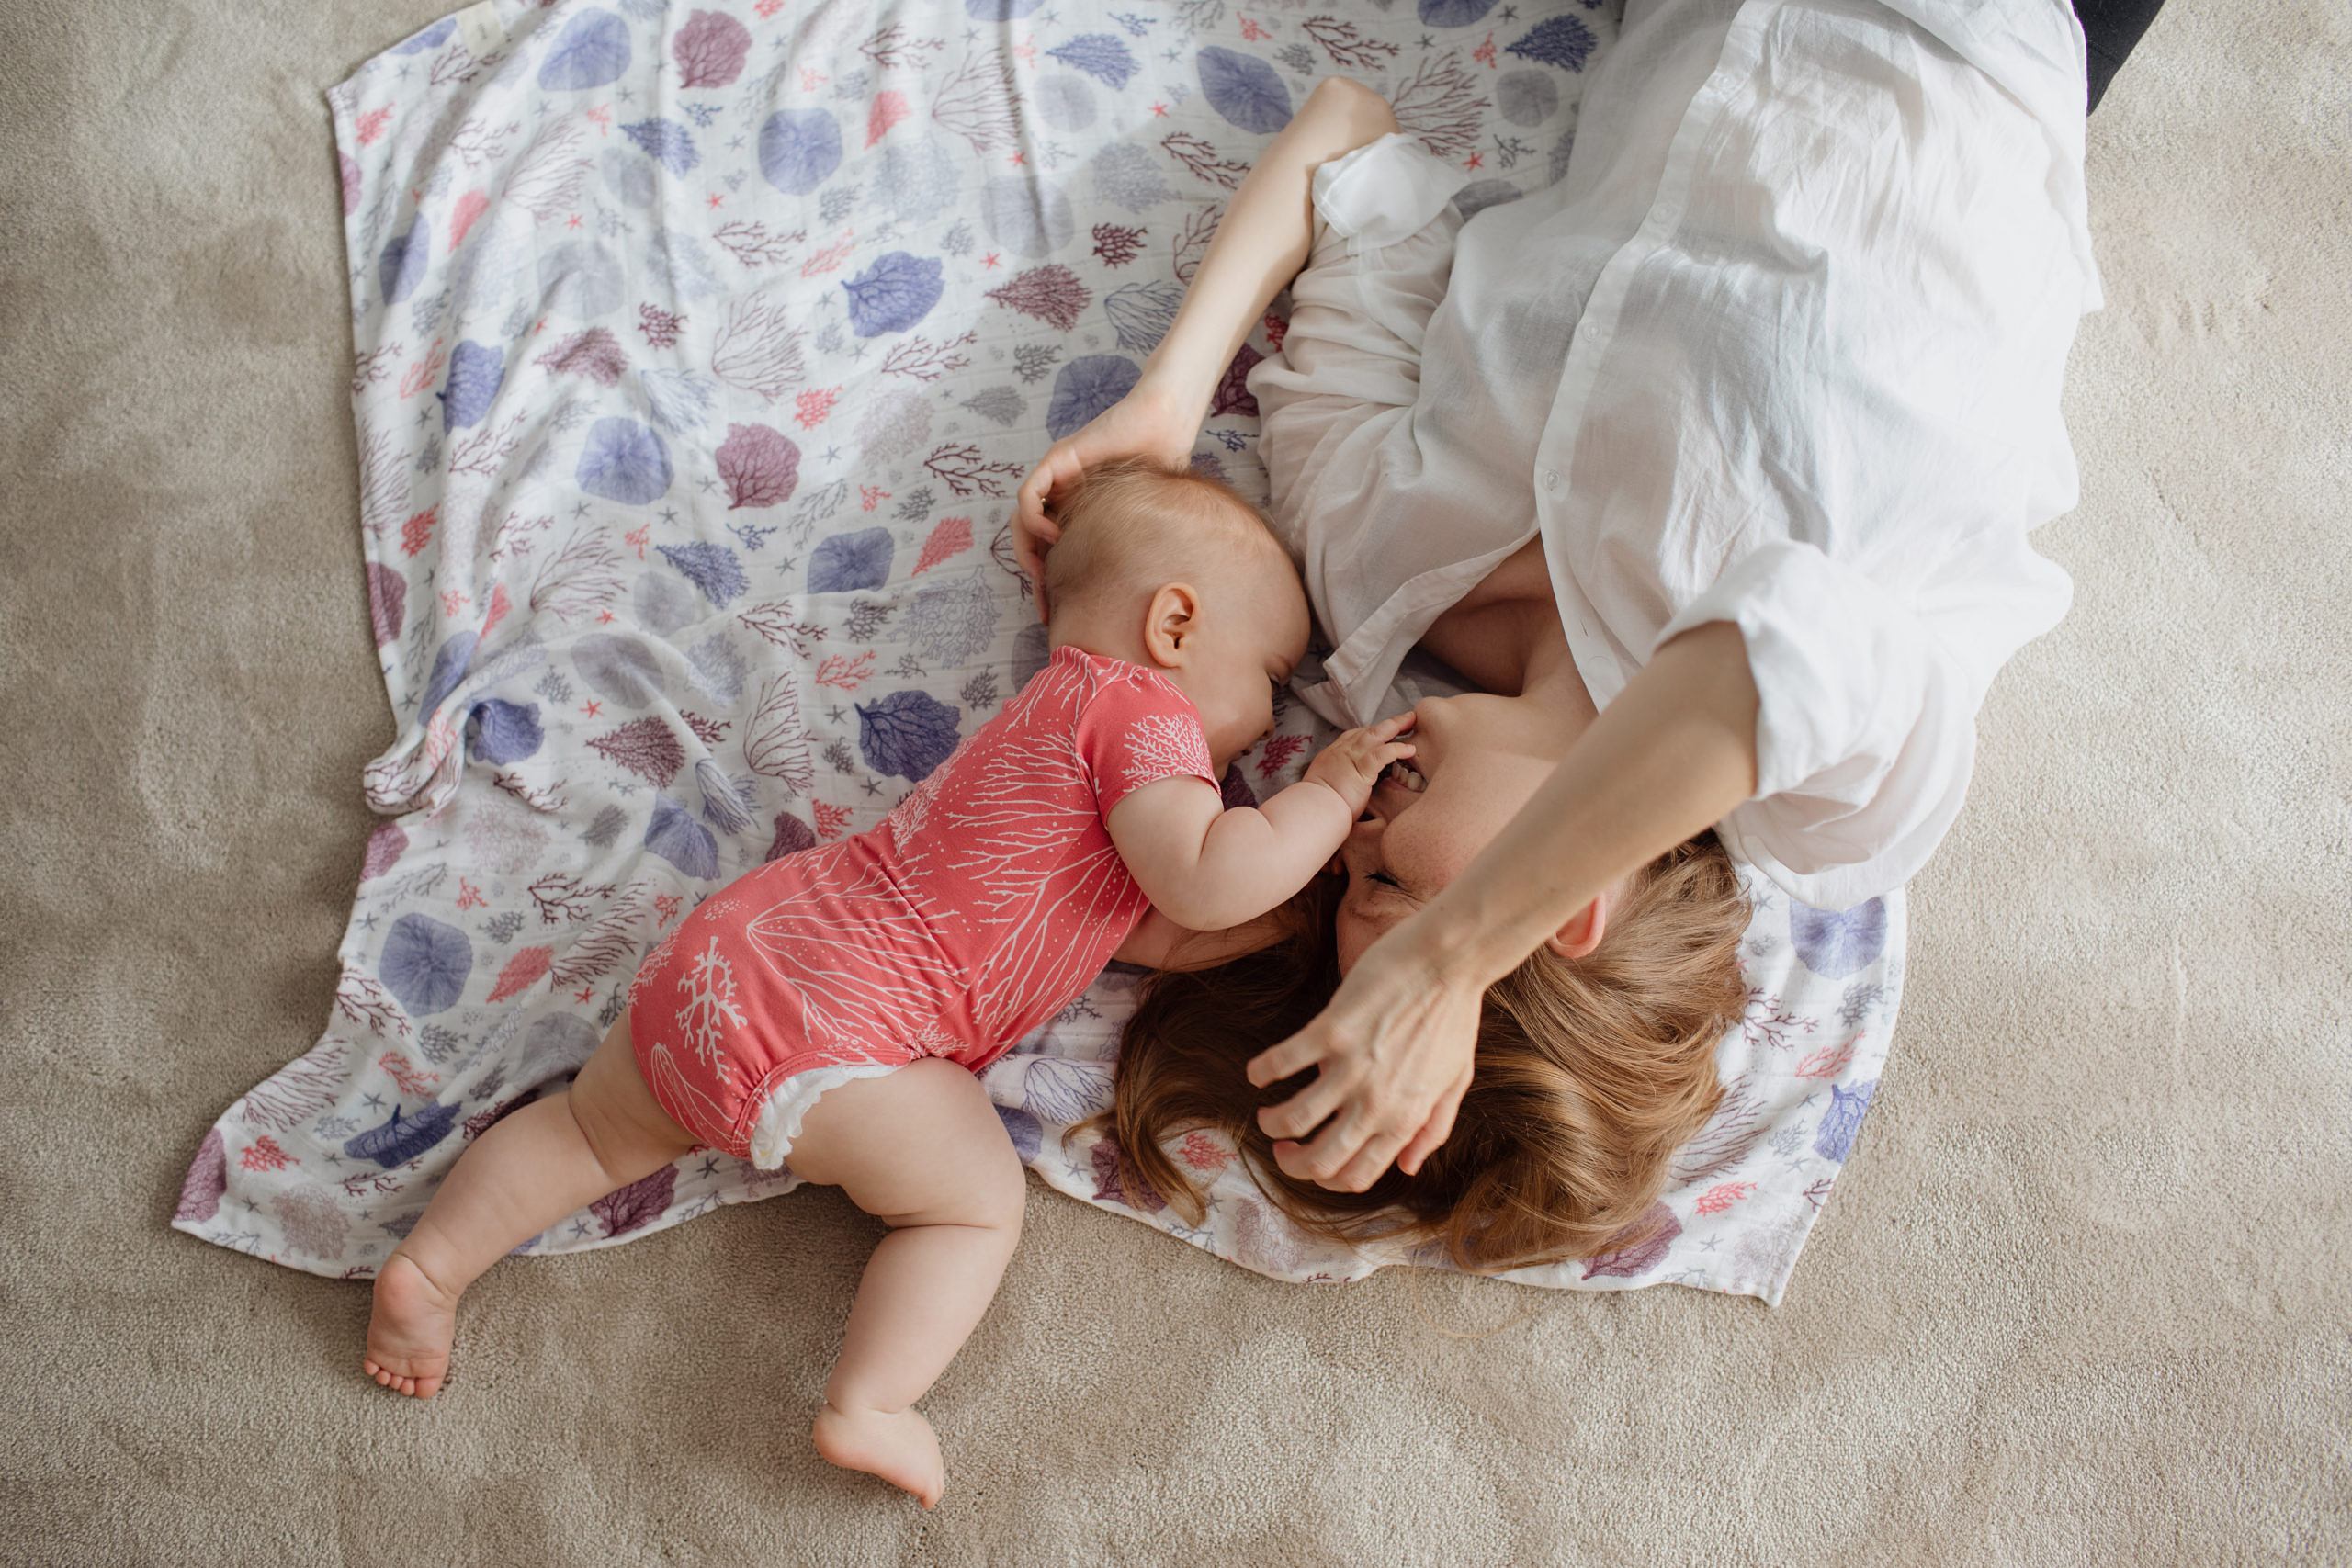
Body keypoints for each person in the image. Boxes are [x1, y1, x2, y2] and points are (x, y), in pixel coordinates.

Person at [1018, 0, 2101, 1207]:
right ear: (1567, 914)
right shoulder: (1827, 807)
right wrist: (1449, 957)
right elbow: (1781, 628)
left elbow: (1347, 141)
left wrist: (1167, 403)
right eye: (1388, 887)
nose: (1350, 827)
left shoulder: (1363, 562)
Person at [359, 459, 1417, 1507]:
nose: (1272, 728)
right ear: (1173, 627)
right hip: (845, 1030)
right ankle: (870, 1402)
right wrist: (1321, 799)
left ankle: (433, 1268)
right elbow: (1206, 876)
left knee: (591, 1134)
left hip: (738, 951)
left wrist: (1300, 910)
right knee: (972, 1207)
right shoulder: (1146, 717)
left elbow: (1161, 928)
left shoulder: (1056, 722)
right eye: (1271, 684)